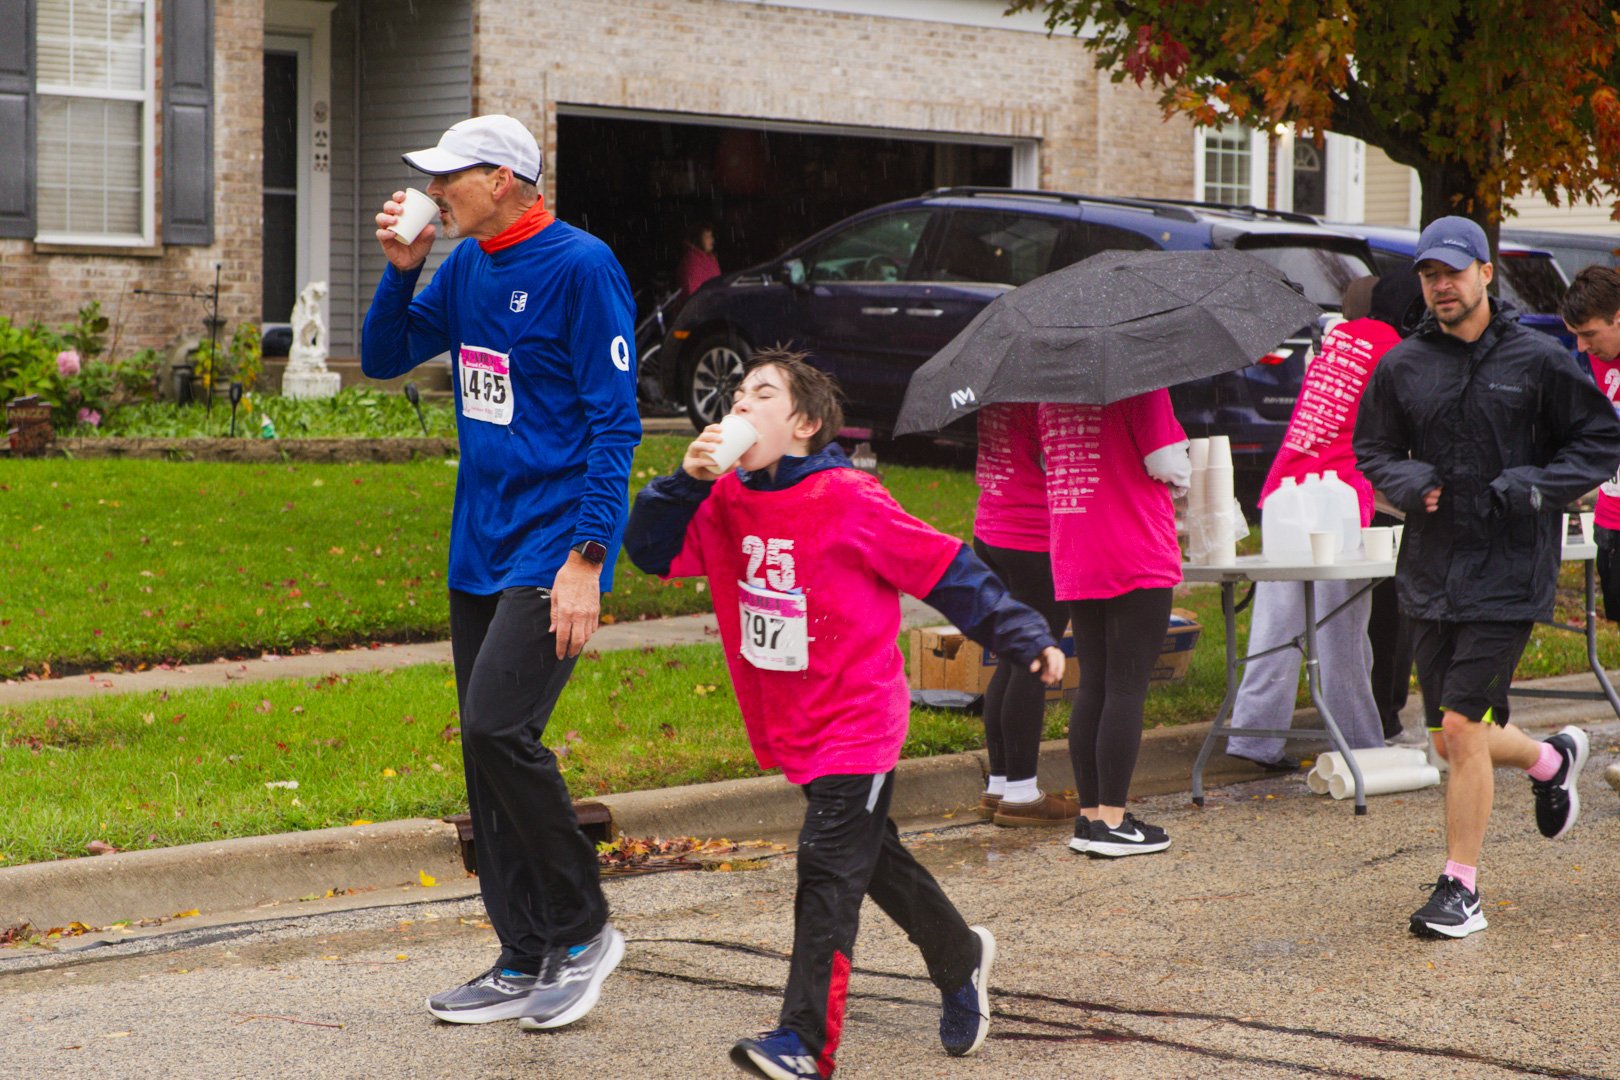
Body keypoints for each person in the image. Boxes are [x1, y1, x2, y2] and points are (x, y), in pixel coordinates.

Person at [623, 349, 1064, 1079]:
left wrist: (1024, 636)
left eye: (759, 394)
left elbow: (946, 569)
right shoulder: (726, 498)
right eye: (733, 395)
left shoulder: (848, 497)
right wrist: (683, 482)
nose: (738, 405)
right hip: (793, 720)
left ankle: (803, 1044)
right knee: (871, 858)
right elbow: (647, 552)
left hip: (857, 721)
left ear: (803, 424)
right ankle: (961, 956)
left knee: (826, 868)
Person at [361, 114, 641, 1023]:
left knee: (496, 730)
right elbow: (381, 356)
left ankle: (584, 926)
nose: (436, 190)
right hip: (477, 547)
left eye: (452, 177)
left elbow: (616, 426)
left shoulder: (583, 266)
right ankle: (522, 953)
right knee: (485, 763)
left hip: (552, 544)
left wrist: (587, 559)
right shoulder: (470, 267)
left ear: (507, 179)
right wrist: (403, 274)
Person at [1354, 215, 1620, 939]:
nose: (1441, 286)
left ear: (1482, 273)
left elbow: (1599, 439)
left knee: (1463, 725)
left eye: (1452, 272)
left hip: (1509, 565)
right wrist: (1409, 481)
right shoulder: (1402, 365)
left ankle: (1459, 887)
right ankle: (1549, 757)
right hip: (1431, 567)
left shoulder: (1538, 359)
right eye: (1429, 276)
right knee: (1449, 737)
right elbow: (1372, 449)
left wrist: (1537, 486)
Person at [1225, 275, 1407, 768]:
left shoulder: (1332, 345)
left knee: (1277, 625)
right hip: (1337, 499)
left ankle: (1254, 737)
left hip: (1287, 490)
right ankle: (1361, 748)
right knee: (1340, 633)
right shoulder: (1389, 347)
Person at [1040, 389, 1189, 857]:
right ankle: (1113, 820)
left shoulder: (1048, 392)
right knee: (1126, 687)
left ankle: (1090, 820)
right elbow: (1168, 462)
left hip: (1076, 545)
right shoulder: (1140, 384)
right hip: (1133, 545)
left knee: (1095, 685)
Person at [971, 402, 1080, 826]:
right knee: (1035, 659)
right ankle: (1021, 793)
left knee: (1013, 658)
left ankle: (999, 786)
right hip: (1034, 536)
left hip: (993, 530)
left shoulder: (997, 386)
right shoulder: (1045, 392)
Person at [1560, 265, 1620, 620]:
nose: (1582, 347)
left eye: (1589, 334)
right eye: (1575, 336)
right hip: (1611, 521)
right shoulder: (1600, 355)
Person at [676, 222, 722, 302]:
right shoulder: (691, 263)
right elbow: (694, 297)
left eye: (711, 236)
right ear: (698, 239)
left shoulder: (710, 259)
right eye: (707, 237)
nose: (712, 240)